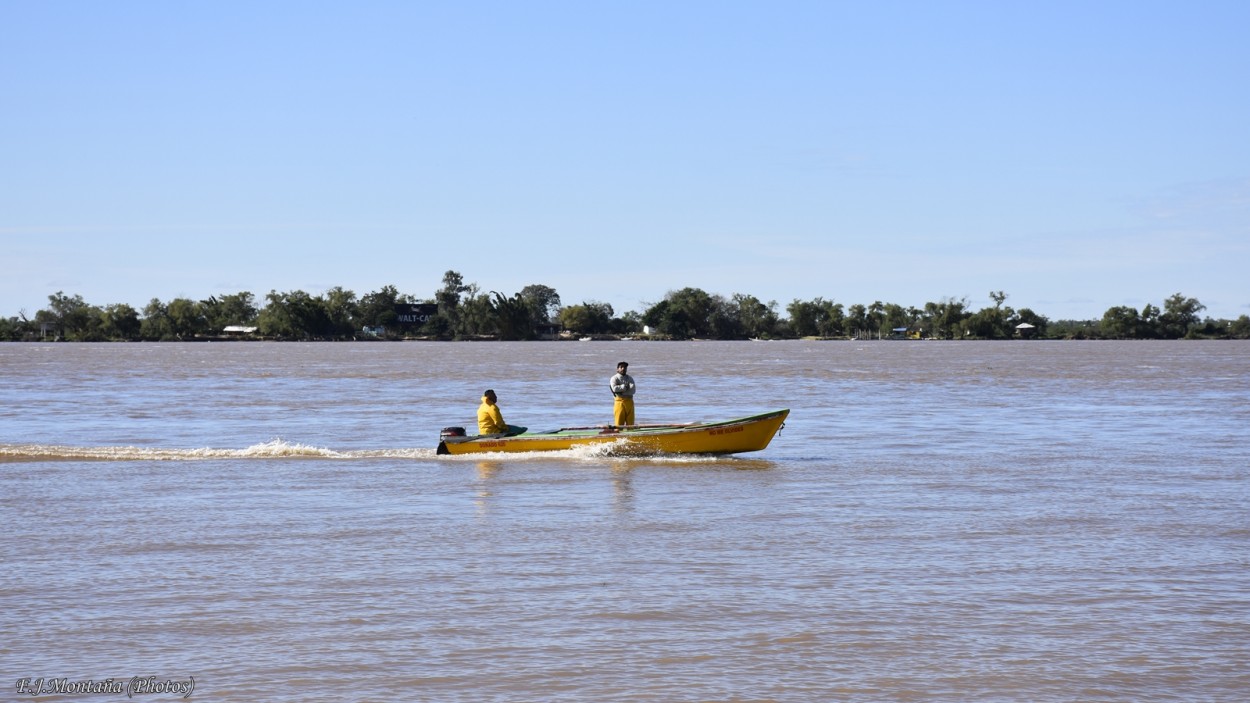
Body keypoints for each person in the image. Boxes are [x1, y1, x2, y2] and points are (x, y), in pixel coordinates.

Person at [609, 361, 636, 426]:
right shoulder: (614, 378)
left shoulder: (630, 378)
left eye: (625, 367)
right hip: (619, 402)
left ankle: (631, 435)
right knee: (618, 423)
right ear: (617, 369)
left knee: (630, 424)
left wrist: (621, 389)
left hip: (629, 402)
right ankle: (618, 435)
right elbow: (614, 389)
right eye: (621, 367)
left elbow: (633, 390)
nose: (623, 369)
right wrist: (624, 387)